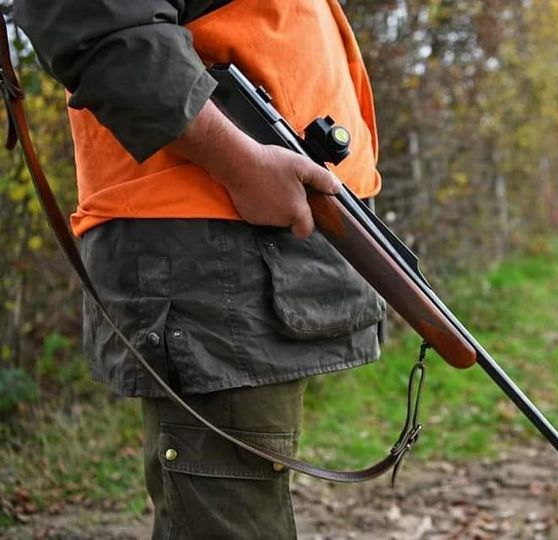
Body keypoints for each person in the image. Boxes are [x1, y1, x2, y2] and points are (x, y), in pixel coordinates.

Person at [13, 0, 386, 537]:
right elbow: (89, 12)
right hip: (206, 231)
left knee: (246, 495)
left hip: (252, 223)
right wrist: (235, 159)